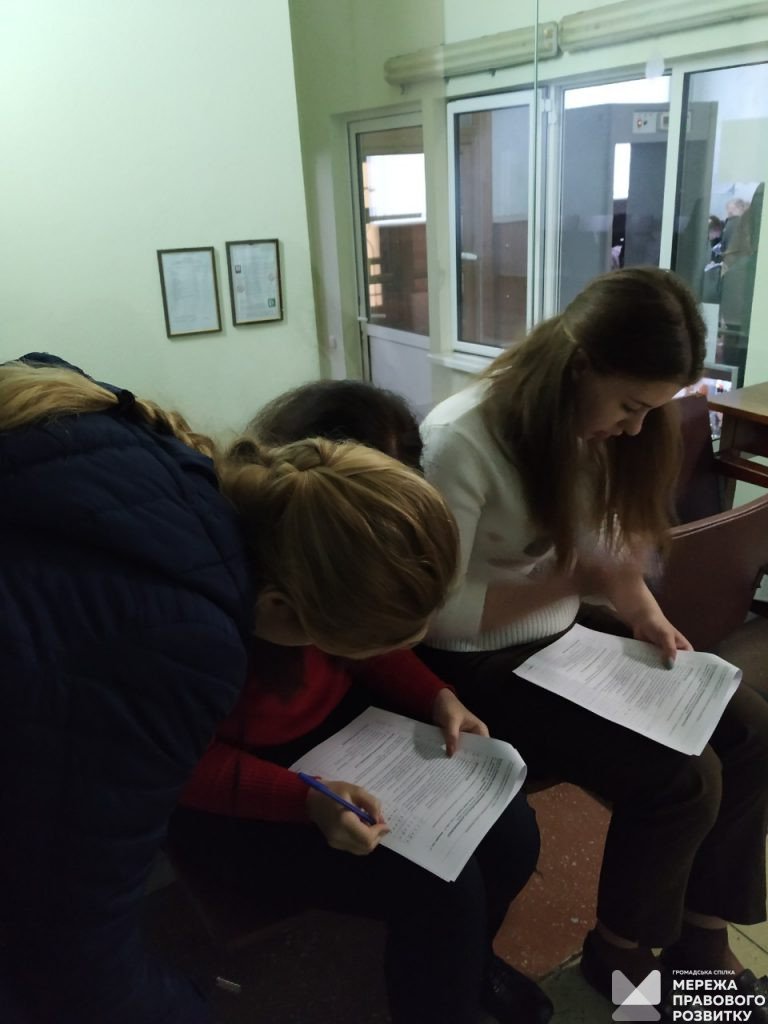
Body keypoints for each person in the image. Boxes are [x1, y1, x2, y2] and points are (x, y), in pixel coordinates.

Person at [0, 354, 461, 1024]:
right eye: (336, 645)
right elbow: (73, 935)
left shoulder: (163, 459)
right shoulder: (189, 638)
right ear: (280, 610)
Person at [413, 268, 768, 1010]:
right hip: (472, 664)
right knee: (683, 777)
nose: (636, 428)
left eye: (652, 410)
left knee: (751, 729)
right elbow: (433, 614)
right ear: (579, 366)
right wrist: (572, 583)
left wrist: (641, 610)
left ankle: (702, 937)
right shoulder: (458, 439)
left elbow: (605, 553)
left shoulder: (593, 429)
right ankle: (620, 953)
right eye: (631, 406)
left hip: (558, 634)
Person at [168, 378, 554, 1024]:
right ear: (283, 610)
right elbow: (179, 766)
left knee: (511, 834)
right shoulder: (193, 626)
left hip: (334, 738)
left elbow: (368, 642)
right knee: (441, 887)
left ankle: (469, 964)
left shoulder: (315, 569)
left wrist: (435, 695)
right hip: (231, 792)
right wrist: (304, 800)